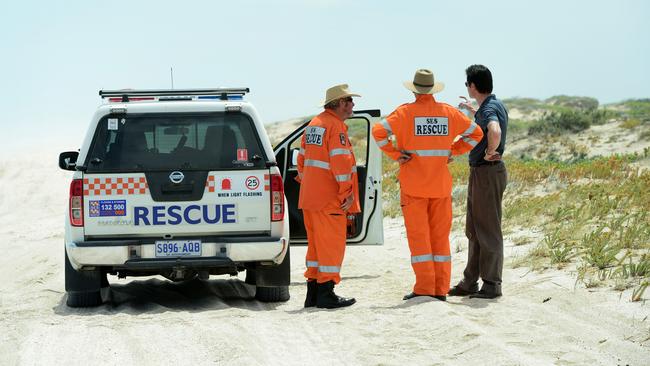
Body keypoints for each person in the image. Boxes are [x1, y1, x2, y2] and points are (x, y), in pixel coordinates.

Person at [372, 69, 483, 301]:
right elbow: (476, 134)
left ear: (414, 90)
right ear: (433, 89)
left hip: (413, 188)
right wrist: (453, 151)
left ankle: (424, 288)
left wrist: (395, 154)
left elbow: (378, 131)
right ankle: (440, 288)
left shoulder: (405, 113)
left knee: (419, 238)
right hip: (440, 187)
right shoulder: (448, 113)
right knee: (440, 238)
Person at [296, 84, 361, 309]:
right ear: (340, 103)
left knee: (315, 248)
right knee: (331, 247)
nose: (353, 104)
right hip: (330, 199)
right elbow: (341, 164)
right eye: (350, 100)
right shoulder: (335, 127)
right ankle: (326, 294)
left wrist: (311, 184)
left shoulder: (314, 124)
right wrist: (347, 194)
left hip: (310, 198)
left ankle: (312, 294)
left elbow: (301, 160)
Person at [448, 64, 508, 299]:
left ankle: (492, 284)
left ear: (473, 86)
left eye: (467, 84)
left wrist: (490, 151)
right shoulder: (490, 105)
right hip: (483, 172)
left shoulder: (490, 108)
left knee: (487, 229)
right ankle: (470, 281)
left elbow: (493, 130)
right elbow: (486, 121)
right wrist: (471, 109)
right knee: (474, 228)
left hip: (487, 171)